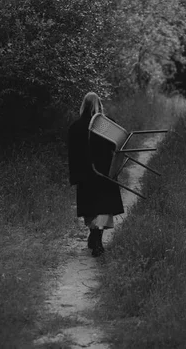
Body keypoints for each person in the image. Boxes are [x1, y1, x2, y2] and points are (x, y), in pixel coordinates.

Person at [68, 92, 124, 257]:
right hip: (104, 174)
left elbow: (72, 155)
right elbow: (118, 147)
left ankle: (95, 237)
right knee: (103, 208)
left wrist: (75, 175)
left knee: (92, 208)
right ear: (99, 104)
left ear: (84, 105)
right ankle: (97, 240)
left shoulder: (75, 127)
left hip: (86, 175)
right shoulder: (105, 125)